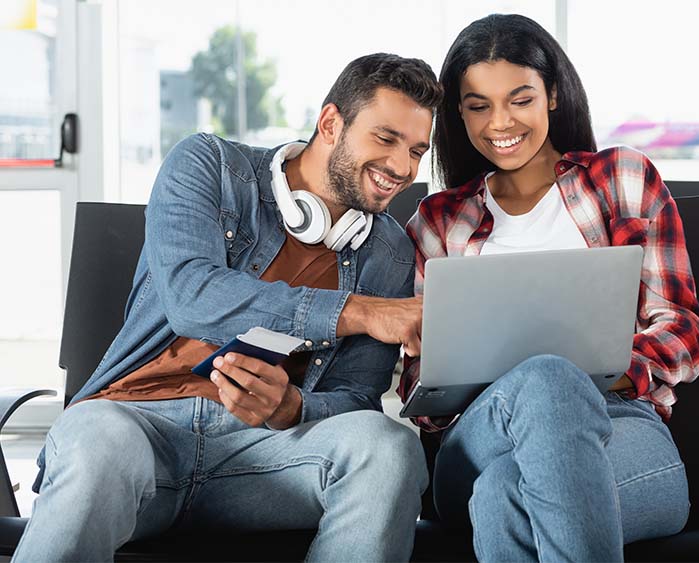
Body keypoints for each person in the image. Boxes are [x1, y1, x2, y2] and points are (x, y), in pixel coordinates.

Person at [15, 53, 442, 562]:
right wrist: (358, 310)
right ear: (331, 123)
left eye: (417, 150)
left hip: (265, 457)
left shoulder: (389, 252)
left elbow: (354, 396)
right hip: (137, 429)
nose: (403, 167)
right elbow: (192, 295)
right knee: (95, 441)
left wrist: (293, 409)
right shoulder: (209, 166)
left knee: (389, 449)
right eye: (386, 138)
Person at [398, 14, 699, 562]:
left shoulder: (623, 179)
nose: (501, 122)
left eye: (520, 99)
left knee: (504, 497)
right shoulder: (437, 222)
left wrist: (592, 377)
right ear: (459, 115)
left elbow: (684, 331)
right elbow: (420, 390)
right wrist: (514, 384)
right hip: (480, 439)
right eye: (478, 105)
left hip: (625, 434)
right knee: (543, 378)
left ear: (554, 95)